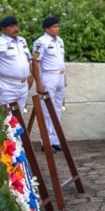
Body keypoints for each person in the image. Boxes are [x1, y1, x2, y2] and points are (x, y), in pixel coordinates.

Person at [0, 15, 33, 116]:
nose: (15, 29)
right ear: (3, 29)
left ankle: (15, 133)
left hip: (22, 86)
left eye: (16, 26)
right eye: (11, 26)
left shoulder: (22, 41)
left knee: (19, 120)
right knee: (4, 121)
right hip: (6, 86)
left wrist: (30, 76)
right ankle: (4, 132)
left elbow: (29, 60)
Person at [32, 16, 66, 153]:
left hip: (60, 76)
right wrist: (38, 83)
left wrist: (64, 78)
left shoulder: (59, 41)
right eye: (54, 26)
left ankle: (55, 141)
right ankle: (45, 142)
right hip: (48, 77)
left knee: (58, 108)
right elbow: (35, 62)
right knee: (47, 110)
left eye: (58, 26)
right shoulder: (41, 42)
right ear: (47, 28)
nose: (57, 29)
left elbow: (60, 60)